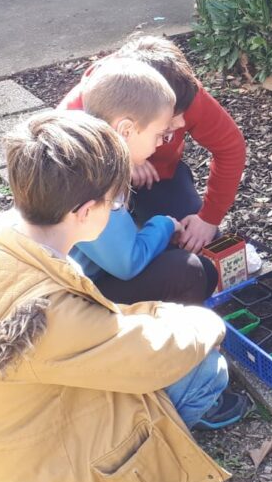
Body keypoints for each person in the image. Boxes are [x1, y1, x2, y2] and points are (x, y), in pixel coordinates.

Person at [0, 110, 252, 482]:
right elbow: (157, 353)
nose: (120, 211)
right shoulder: (45, 317)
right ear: (84, 212)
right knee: (205, 370)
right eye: (118, 203)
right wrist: (203, 320)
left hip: (3, 465)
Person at [61, 34, 246, 255]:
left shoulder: (184, 92)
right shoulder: (74, 114)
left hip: (158, 179)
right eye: (168, 124)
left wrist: (209, 218)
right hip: (96, 189)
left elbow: (231, 147)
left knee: (197, 245)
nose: (181, 124)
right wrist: (125, 156)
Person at [71, 57, 221, 305]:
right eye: (160, 134)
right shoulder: (96, 180)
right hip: (73, 298)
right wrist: (164, 225)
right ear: (126, 130)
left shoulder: (89, 155)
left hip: (77, 280)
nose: (163, 143)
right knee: (193, 271)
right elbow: (128, 263)